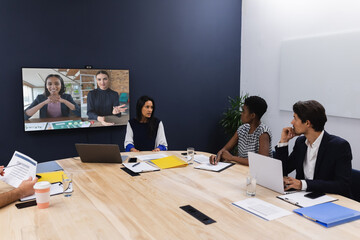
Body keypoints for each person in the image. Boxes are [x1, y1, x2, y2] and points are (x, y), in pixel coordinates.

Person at [275, 100, 352, 197]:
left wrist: (302, 184)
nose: (292, 122)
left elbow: (342, 185)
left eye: (295, 118)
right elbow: (282, 170)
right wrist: (283, 142)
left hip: (330, 200)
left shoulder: (339, 146)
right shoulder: (301, 142)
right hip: (303, 197)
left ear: (307, 123)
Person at [210, 96, 272, 166]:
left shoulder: (263, 133)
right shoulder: (242, 128)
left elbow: (262, 162)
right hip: (241, 170)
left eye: (243, 111)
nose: (241, 114)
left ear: (252, 115)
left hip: (256, 174)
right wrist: (217, 157)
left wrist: (232, 158)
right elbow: (224, 150)